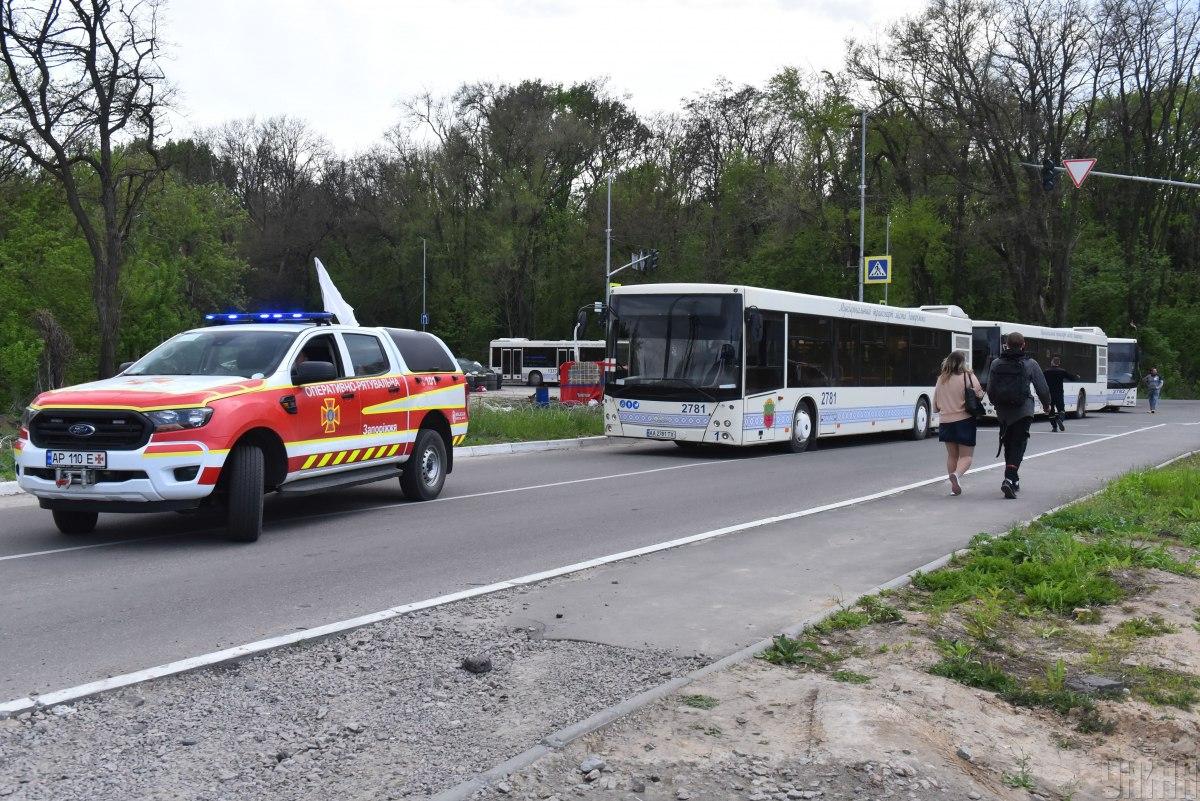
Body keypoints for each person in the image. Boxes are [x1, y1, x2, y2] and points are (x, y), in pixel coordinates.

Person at [987, 331, 1051, 500]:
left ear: (1006, 345)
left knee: (1008, 443)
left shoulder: (996, 363)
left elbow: (990, 389)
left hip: (1003, 412)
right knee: (1019, 443)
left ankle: (1013, 480)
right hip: (1023, 411)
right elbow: (1042, 387)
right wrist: (1047, 405)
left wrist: (997, 405)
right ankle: (1009, 477)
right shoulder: (1031, 364)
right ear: (1024, 345)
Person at [933, 350, 983, 496]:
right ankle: (957, 475)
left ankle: (953, 487)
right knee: (966, 457)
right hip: (964, 420)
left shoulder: (941, 379)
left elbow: (935, 406)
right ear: (963, 362)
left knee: (952, 456)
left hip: (945, 421)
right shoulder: (968, 376)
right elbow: (979, 394)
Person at [1042, 356, 1073, 432]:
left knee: (1051, 411)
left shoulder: (1046, 371)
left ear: (1052, 362)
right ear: (1059, 363)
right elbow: (1071, 377)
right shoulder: (1062, 371)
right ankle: (1060, 419)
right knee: (1061, 409)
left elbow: (1041, 379)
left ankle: (1054, 427)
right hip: (1059, 393)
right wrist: (1077, 377)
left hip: (1049, 394)